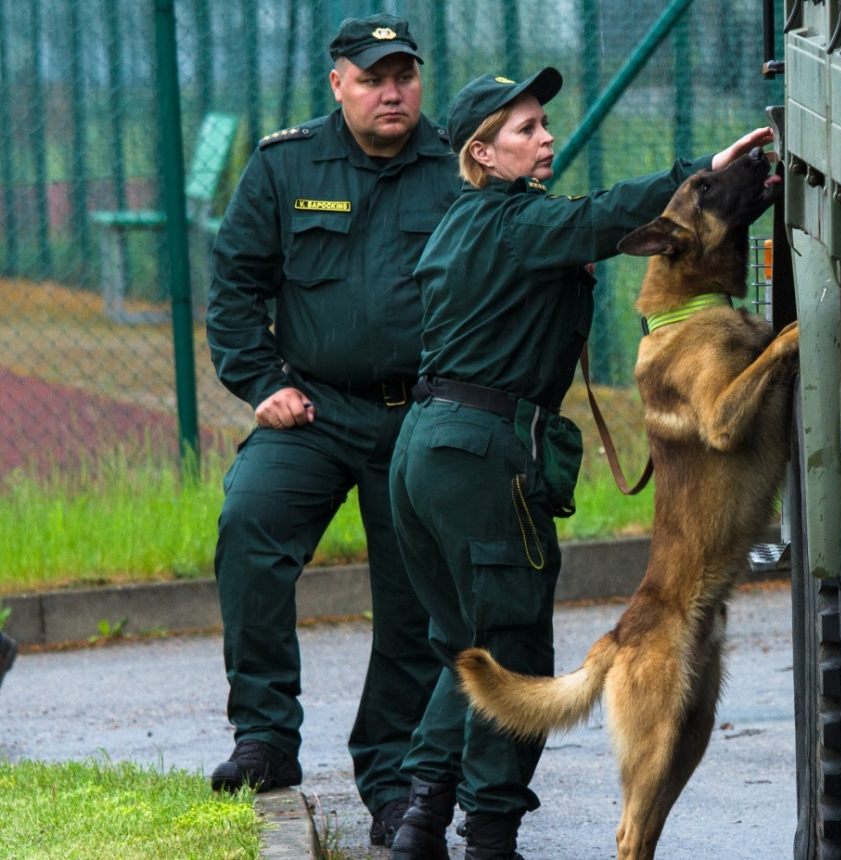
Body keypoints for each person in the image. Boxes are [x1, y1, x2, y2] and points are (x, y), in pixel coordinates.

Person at [381, 70, 772, 860]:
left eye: (543, 122)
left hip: (421, 453)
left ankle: (419, 823)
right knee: (515, 648)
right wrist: (701, 172)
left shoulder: (458, 225)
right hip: (482, 456)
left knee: (466, 648)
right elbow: (601, 219)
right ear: (482, 154)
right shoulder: (516, 220)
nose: (545, 136)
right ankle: (490, 838)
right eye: (523, 129)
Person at [205, 13, 456, 848]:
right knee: (250, 523)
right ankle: (266, 737)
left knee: (415, 603)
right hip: (310, 410)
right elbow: (235, 286)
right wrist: (262, 382)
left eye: (405, 75)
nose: (393, 91)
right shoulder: (285, 164)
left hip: (418, 417)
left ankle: (392, 778)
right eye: (374, 76)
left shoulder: (455, 167)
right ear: (338, 82)